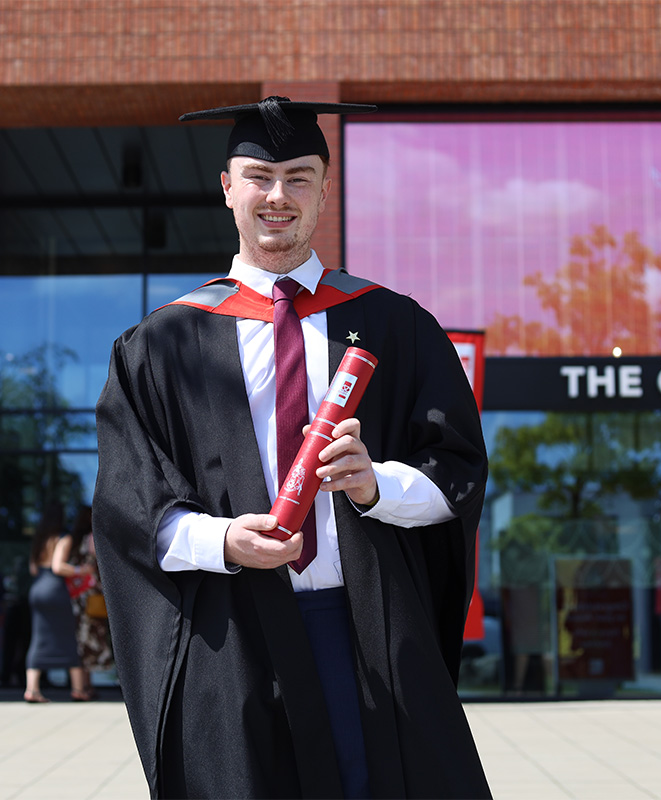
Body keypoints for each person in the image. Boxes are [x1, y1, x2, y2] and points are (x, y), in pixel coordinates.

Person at [94, 97, 492, 799]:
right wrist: (219, 538)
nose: (279, 196)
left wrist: (376, 486)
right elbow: (128, 505)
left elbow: (458, 469)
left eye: (300, 177)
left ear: (325, 191)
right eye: (258, 176)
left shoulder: (393, 326)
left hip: (363, 626)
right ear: (227, 189)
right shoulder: (161, 346)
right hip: (231, 632)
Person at [23, 502, 93, 703]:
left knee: (38, 637)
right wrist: (81, 571)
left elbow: (33, 569)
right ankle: (78, 689)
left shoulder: (39, 539)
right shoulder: (64, 538)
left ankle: (32, 689)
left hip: (37, 589)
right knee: (68, 636)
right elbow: (58, 567)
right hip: (55, 590)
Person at [62, 505, 113, 697]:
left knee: (81, 638)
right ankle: (83, 687)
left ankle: (83, 685)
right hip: (92, 595)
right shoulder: (92, 538)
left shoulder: (73, 541)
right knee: (89, 639)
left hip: (77, 595)